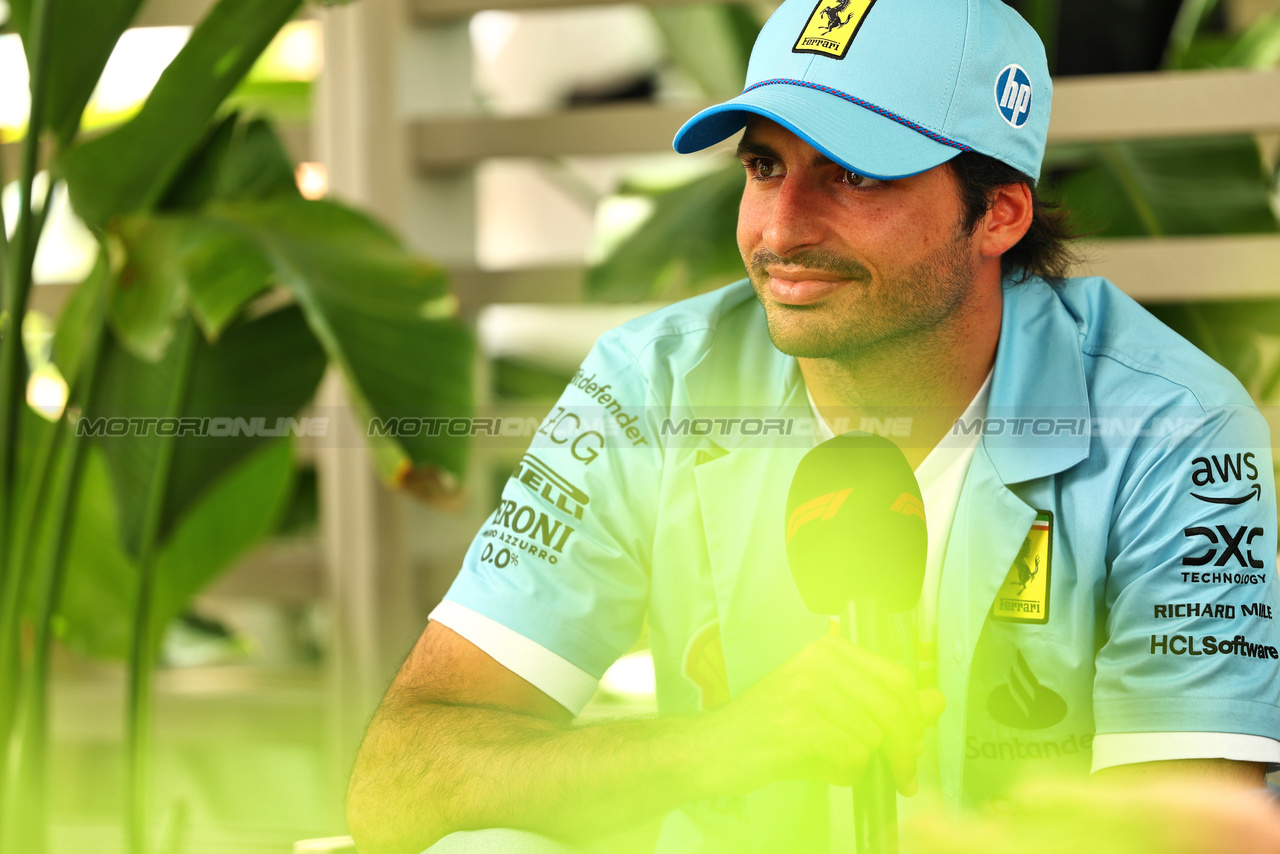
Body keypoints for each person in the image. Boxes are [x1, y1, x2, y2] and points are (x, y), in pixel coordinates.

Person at [346, 0, 1280, 852]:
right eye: (765, 166)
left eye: (856, 176)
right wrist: (726, 746)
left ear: (998, 213)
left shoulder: (1172, 428)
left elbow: (1205, 830)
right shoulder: (651, 386)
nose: (783, 227)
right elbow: (401, 781)